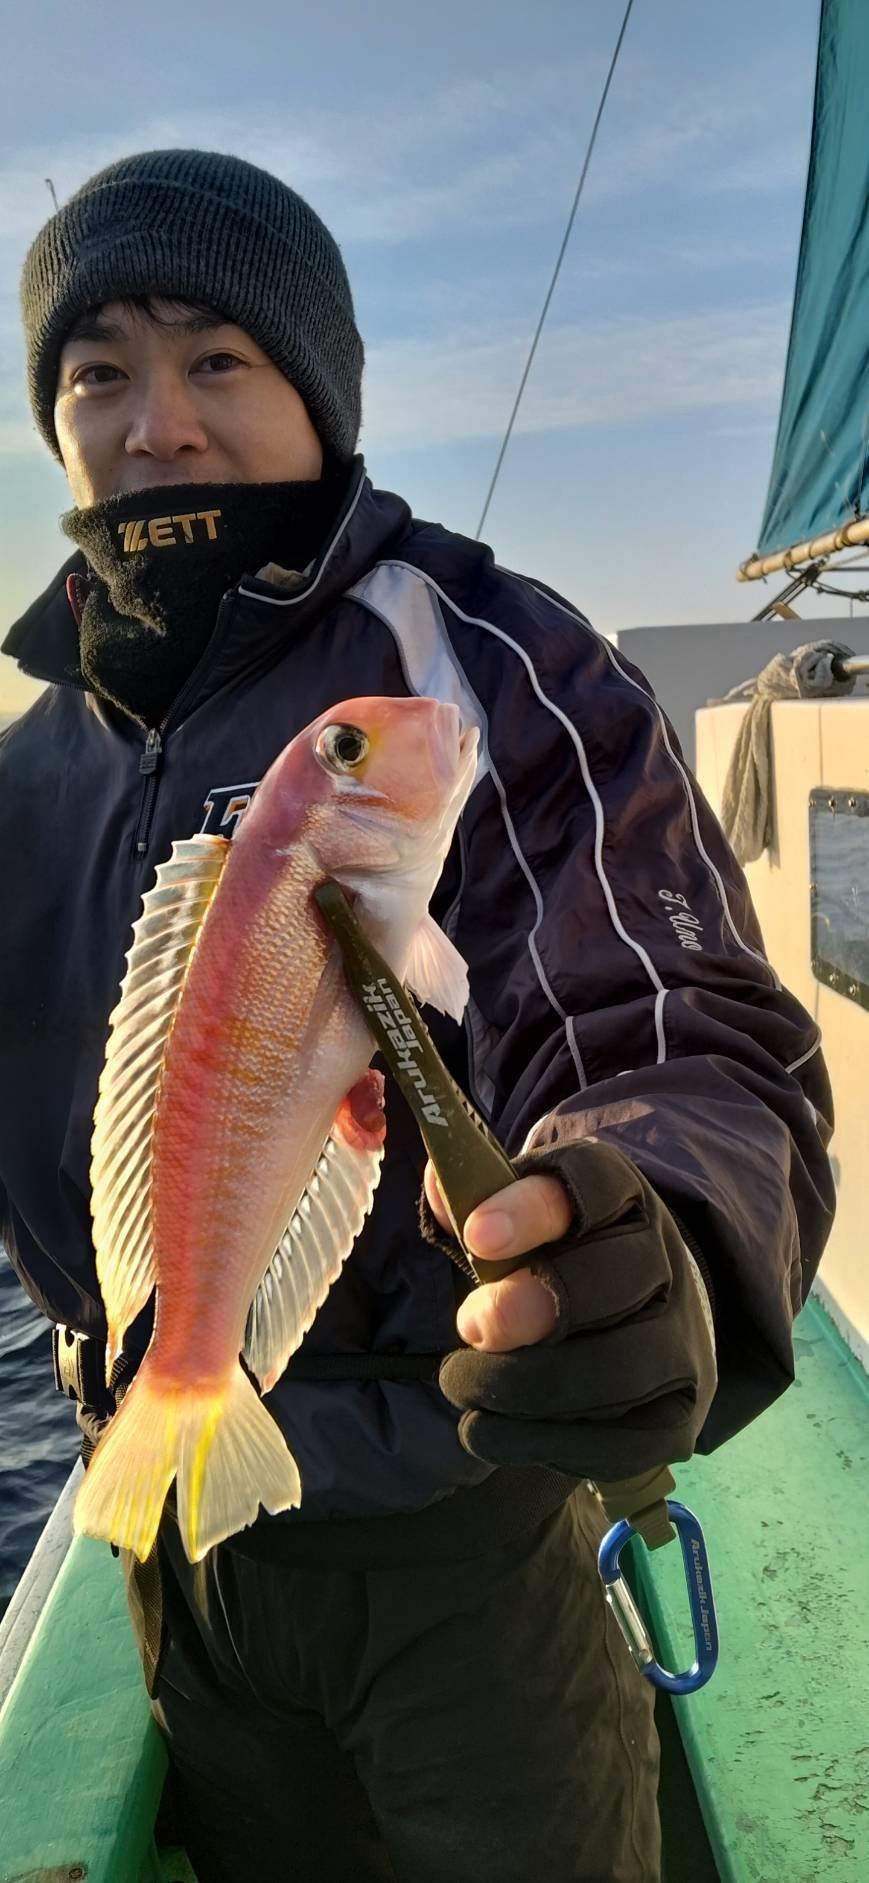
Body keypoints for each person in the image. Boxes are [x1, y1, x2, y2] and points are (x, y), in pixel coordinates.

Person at [0, 149, 834, 1883]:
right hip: (167, 1522)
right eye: (96, 374)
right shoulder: (33, 765)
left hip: (454, 1522)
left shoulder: (480, 653)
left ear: (318, 387)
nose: (157, 423)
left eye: (216, 358)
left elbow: (660, 1013)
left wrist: (661, 1225)